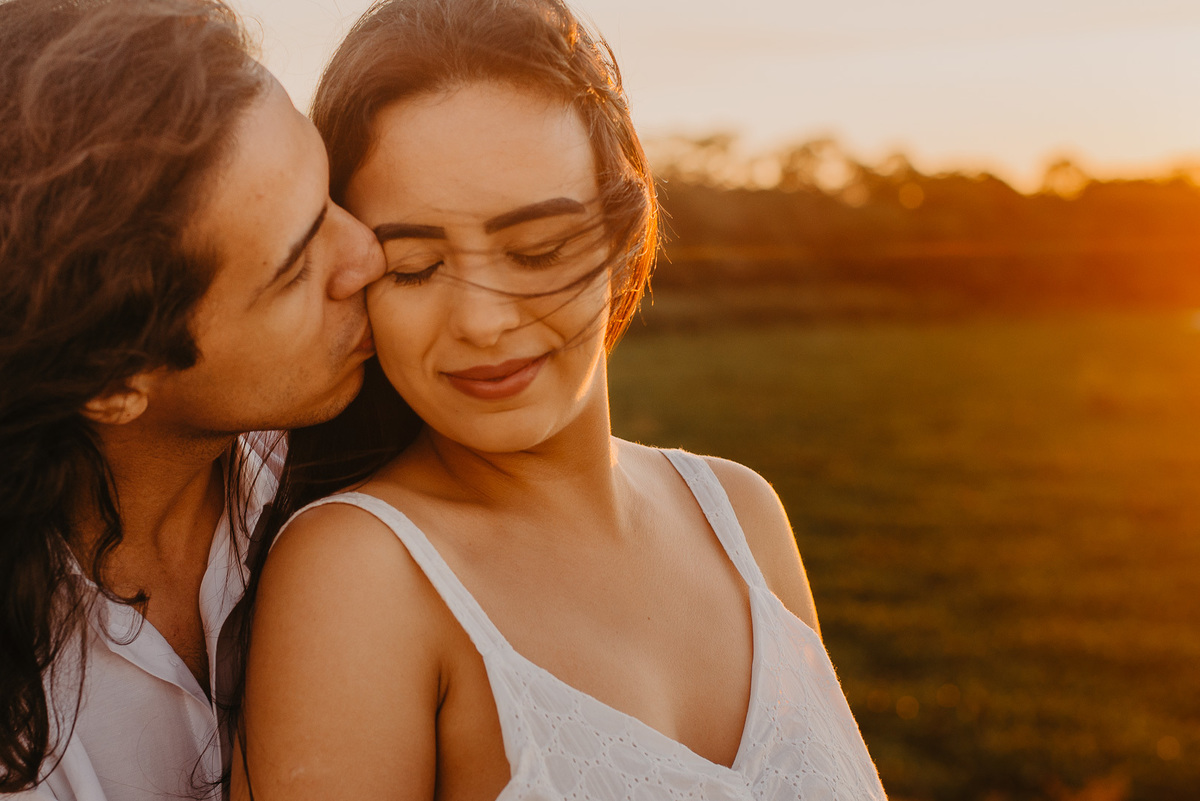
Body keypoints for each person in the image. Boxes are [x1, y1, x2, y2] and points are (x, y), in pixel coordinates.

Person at [233, 0, 887, 799]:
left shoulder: (742, 516)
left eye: (537, 249)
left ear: (623, 237)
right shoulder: (363, 574)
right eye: (413, 266)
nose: (483, 320)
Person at [0, 0, 385, 798]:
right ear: (112, 382)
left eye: (331, 197)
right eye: (296, 267)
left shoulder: (377, 457)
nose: (366, 254)